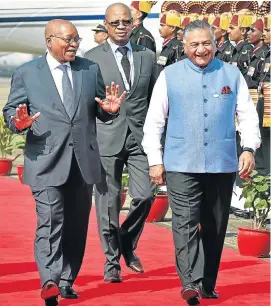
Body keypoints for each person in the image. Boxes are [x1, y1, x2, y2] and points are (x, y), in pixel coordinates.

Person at [3, 19, 125, 306]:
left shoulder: (88, 69)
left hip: (82, 162)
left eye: (76, 40)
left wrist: (108, 112)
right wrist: (17, 123)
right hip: (45, 159)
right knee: (50, 219)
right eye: (68, 40)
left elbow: (98, 108)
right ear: (50, 41)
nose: (74, 45)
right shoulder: (27, 73)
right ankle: (49, 278)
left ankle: (67, 280)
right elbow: (12, 111)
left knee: (75, 224)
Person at [142, 20, 260, 306]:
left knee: (215, 225)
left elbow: (247, 115)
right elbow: (154, 122)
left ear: (215, 44)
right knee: (184, 223)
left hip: (222, 163)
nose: (201, 49)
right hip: (181, 163)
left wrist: (248, 149)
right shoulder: (169, 75)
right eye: (194, 44)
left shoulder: (232, 75)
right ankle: (190, 283)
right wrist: (155, 161)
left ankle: (207, 283)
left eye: (206, 43)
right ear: (185, 47)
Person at [85, 3, 158, 283]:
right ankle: (112, 261)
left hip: (140, 138)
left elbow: (155, 100)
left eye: (125, 21)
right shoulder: (92, 59)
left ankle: (126, 239)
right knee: (108, 203)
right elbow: (88, 104)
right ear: (105, 23)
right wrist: (106, 112)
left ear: (133, 23)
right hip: (106, 136)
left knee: (145, 196)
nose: (120, 26)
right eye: (114, 22)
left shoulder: (147, 56)